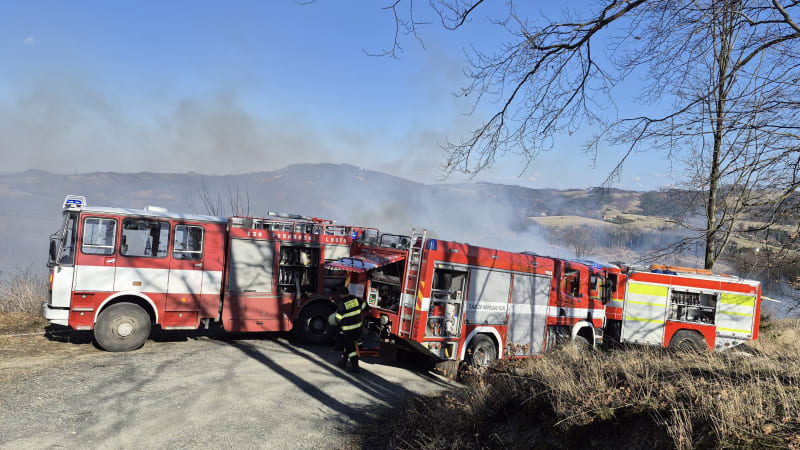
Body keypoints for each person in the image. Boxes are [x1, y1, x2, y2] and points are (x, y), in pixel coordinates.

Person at [334, 284, 368, 373]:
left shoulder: (342, 304)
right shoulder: (356, 299)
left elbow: (337, 319)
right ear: (348, 293)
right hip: (358, 329)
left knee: (351, 349)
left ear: (341, 295)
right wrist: (362, 309)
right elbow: (365, 305)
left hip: (348, 331)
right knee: (348, 345)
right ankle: (343, 362)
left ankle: (355, 367)